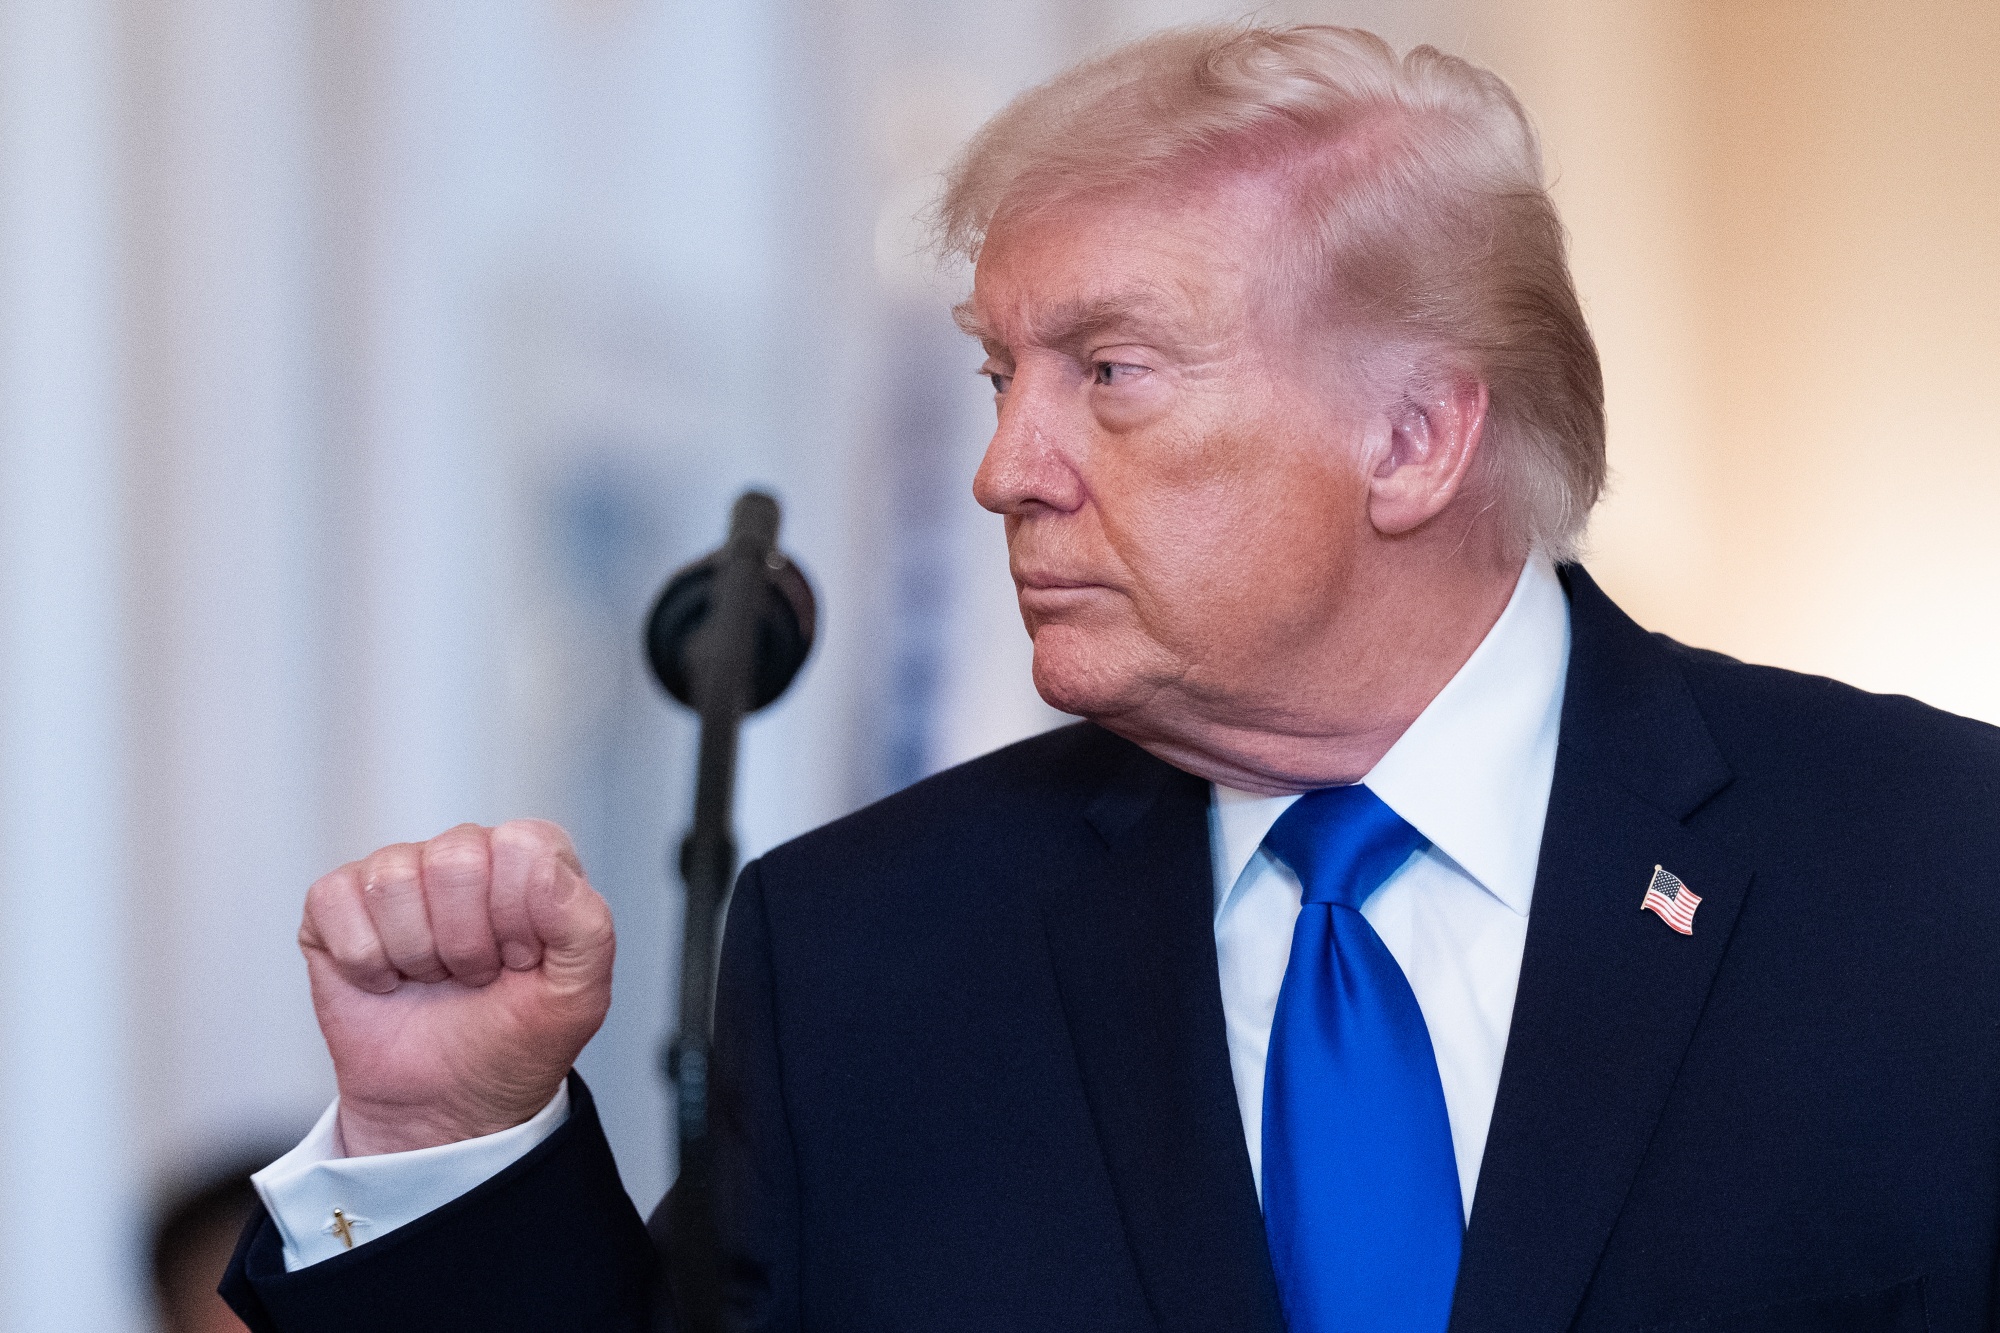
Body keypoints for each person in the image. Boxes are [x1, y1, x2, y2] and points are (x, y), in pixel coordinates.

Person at [222, 23, 2000, 1333]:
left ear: (1411, 436)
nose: (1009, 466)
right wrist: (442, 1137)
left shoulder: (1937, 875)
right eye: (1002, 373)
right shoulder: (867, 955)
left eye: (1110, 371)